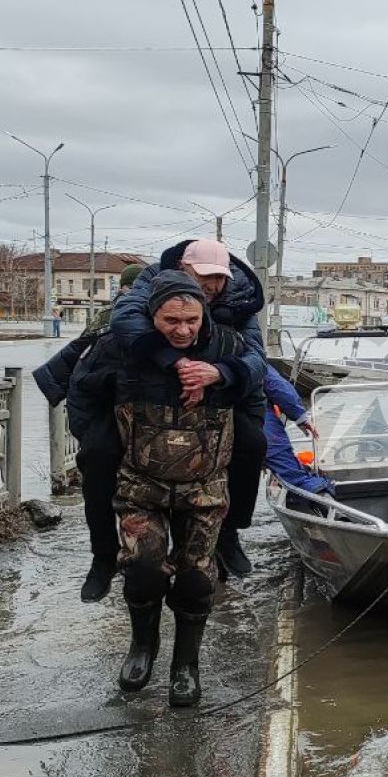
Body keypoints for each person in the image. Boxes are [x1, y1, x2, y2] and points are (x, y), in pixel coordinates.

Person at [109, 272, 258, 706]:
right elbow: (81, 387)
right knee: (142, 565)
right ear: (151, 315)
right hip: (141, 483)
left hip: (205, 487)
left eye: (191, 319)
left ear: (203, 314)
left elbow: (257, 375)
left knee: (196, 576)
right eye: (171, 319)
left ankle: (185, 665)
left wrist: (222, 374)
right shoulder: (126, 347)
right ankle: (143, 646)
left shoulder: (227, 345)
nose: (182, 329)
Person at [111, 238, 268, 580]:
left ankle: (228, 530)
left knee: (253, 443)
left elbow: (257, 358)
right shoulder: (153, 280)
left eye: (218, 277)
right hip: (159, 386)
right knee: (99, 451)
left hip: (219, 389)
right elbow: (124, 320)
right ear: (183, 269)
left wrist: (221, 372)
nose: (211, 286)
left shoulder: (238, 298)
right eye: (203, 277)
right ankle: (103, 548)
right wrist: (176, 361)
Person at [33, 262, 146, 601]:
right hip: (108, 416)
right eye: (129, 292)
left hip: (155, 418)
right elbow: (80, 380)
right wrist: (90, 434)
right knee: (98, 475)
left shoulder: (168, 318)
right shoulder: (107, 324)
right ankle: (104, 558)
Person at [261, 365, 333, 501]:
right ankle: (334, 511)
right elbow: (276, 385)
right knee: (295, 476)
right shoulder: (245, 350)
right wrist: (301, 417)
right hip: (258, 424)